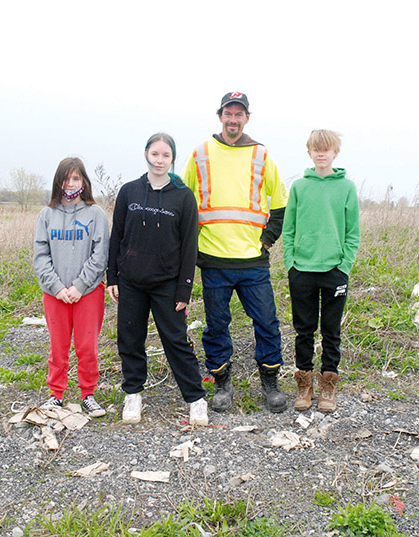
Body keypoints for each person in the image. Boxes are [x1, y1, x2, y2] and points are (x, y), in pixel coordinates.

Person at [182, 92, 289, 413]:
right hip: (213, 260)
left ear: (247, 119)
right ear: (220, 116)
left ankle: (270, 383)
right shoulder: (200, 153)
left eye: (239, 114)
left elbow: (281, 203)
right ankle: (222, 383)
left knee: (267, 323)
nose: (233, 119)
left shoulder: (261, 154)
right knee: (217, 326)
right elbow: (186, 203)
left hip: (253, 261)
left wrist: (267, 241)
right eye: (228, 113)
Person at [107, 133, 208, 426]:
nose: (160, 160)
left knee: (176, 341)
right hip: (131, 281)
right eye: (155, 154)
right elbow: (118, 237)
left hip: (167, 283)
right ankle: (133, 393)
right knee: (130, 338)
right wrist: (112, 275)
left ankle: (195, 398)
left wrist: (184, 290)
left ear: (172, 158)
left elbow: (190, 246)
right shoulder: (129, 192)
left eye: (165, 155)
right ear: (146, 155)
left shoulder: (183, 196)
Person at [282, 129, 360, 413]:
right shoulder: (300, 187)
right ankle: (304, 384)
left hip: (334, 270)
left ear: (335, 152)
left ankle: (328, 384)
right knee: (303, 330)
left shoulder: (347, 188)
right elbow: (288, 229)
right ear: (309, 152)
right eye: (316, 149)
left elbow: (353, 232)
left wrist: (344, 265)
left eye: (326, 149)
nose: (321, 153)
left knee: (331, 330)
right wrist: (290, 261)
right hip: (302, 269)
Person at [33, 157, 109, 418]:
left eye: (76, 178)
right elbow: (41, 256)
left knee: (87, 346)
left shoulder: (95, 214)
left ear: (84, 182)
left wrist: (79, 285)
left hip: (87, 293)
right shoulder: (46, 215)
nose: (70, 183)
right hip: (55, 294)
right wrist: (56, 287)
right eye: (66, 178)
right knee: (58, 346)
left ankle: (88, 394)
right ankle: (56, 395)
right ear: (58, 181)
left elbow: (100, 255)